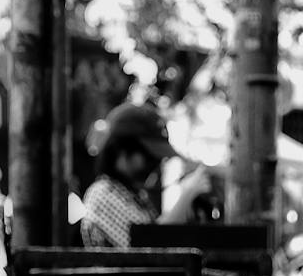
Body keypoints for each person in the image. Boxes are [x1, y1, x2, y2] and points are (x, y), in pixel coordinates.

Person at [80, 102, 217, 248]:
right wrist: (187, 194)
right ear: (122, 151)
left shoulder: (133, 195)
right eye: (150, 157)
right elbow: (150, 249)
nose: (156, 164)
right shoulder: (103, 193)